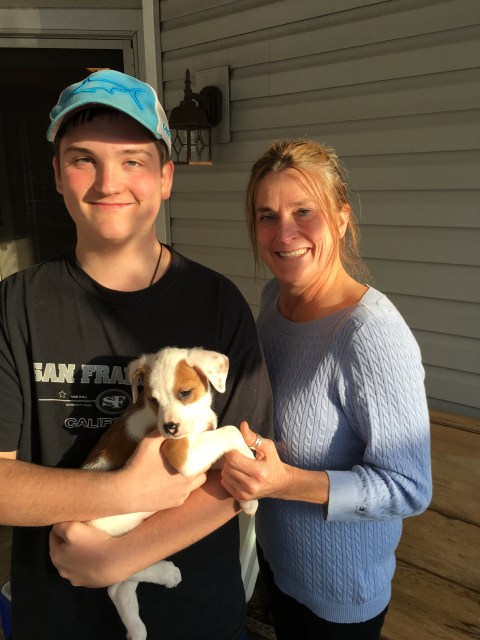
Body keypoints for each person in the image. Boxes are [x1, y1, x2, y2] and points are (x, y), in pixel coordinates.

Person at [0, 69, 272, 640]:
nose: (108, 182)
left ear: (166, 177)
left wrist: (122, 555)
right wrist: (121, 492)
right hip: (57, 620)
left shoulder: (218, 304)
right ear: (56, 174)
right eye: (83, 159)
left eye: (133, 160)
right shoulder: (14, 306)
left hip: (198, 619)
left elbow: (245, 466)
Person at [221, 139, 432, 640]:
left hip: (340, 596)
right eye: (267, 216)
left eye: (304, 212)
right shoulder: (274, 299)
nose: (284, 233)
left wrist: (283, 482)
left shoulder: (369, 333)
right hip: (279, 566)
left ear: (340, 219)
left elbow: (409, 487)